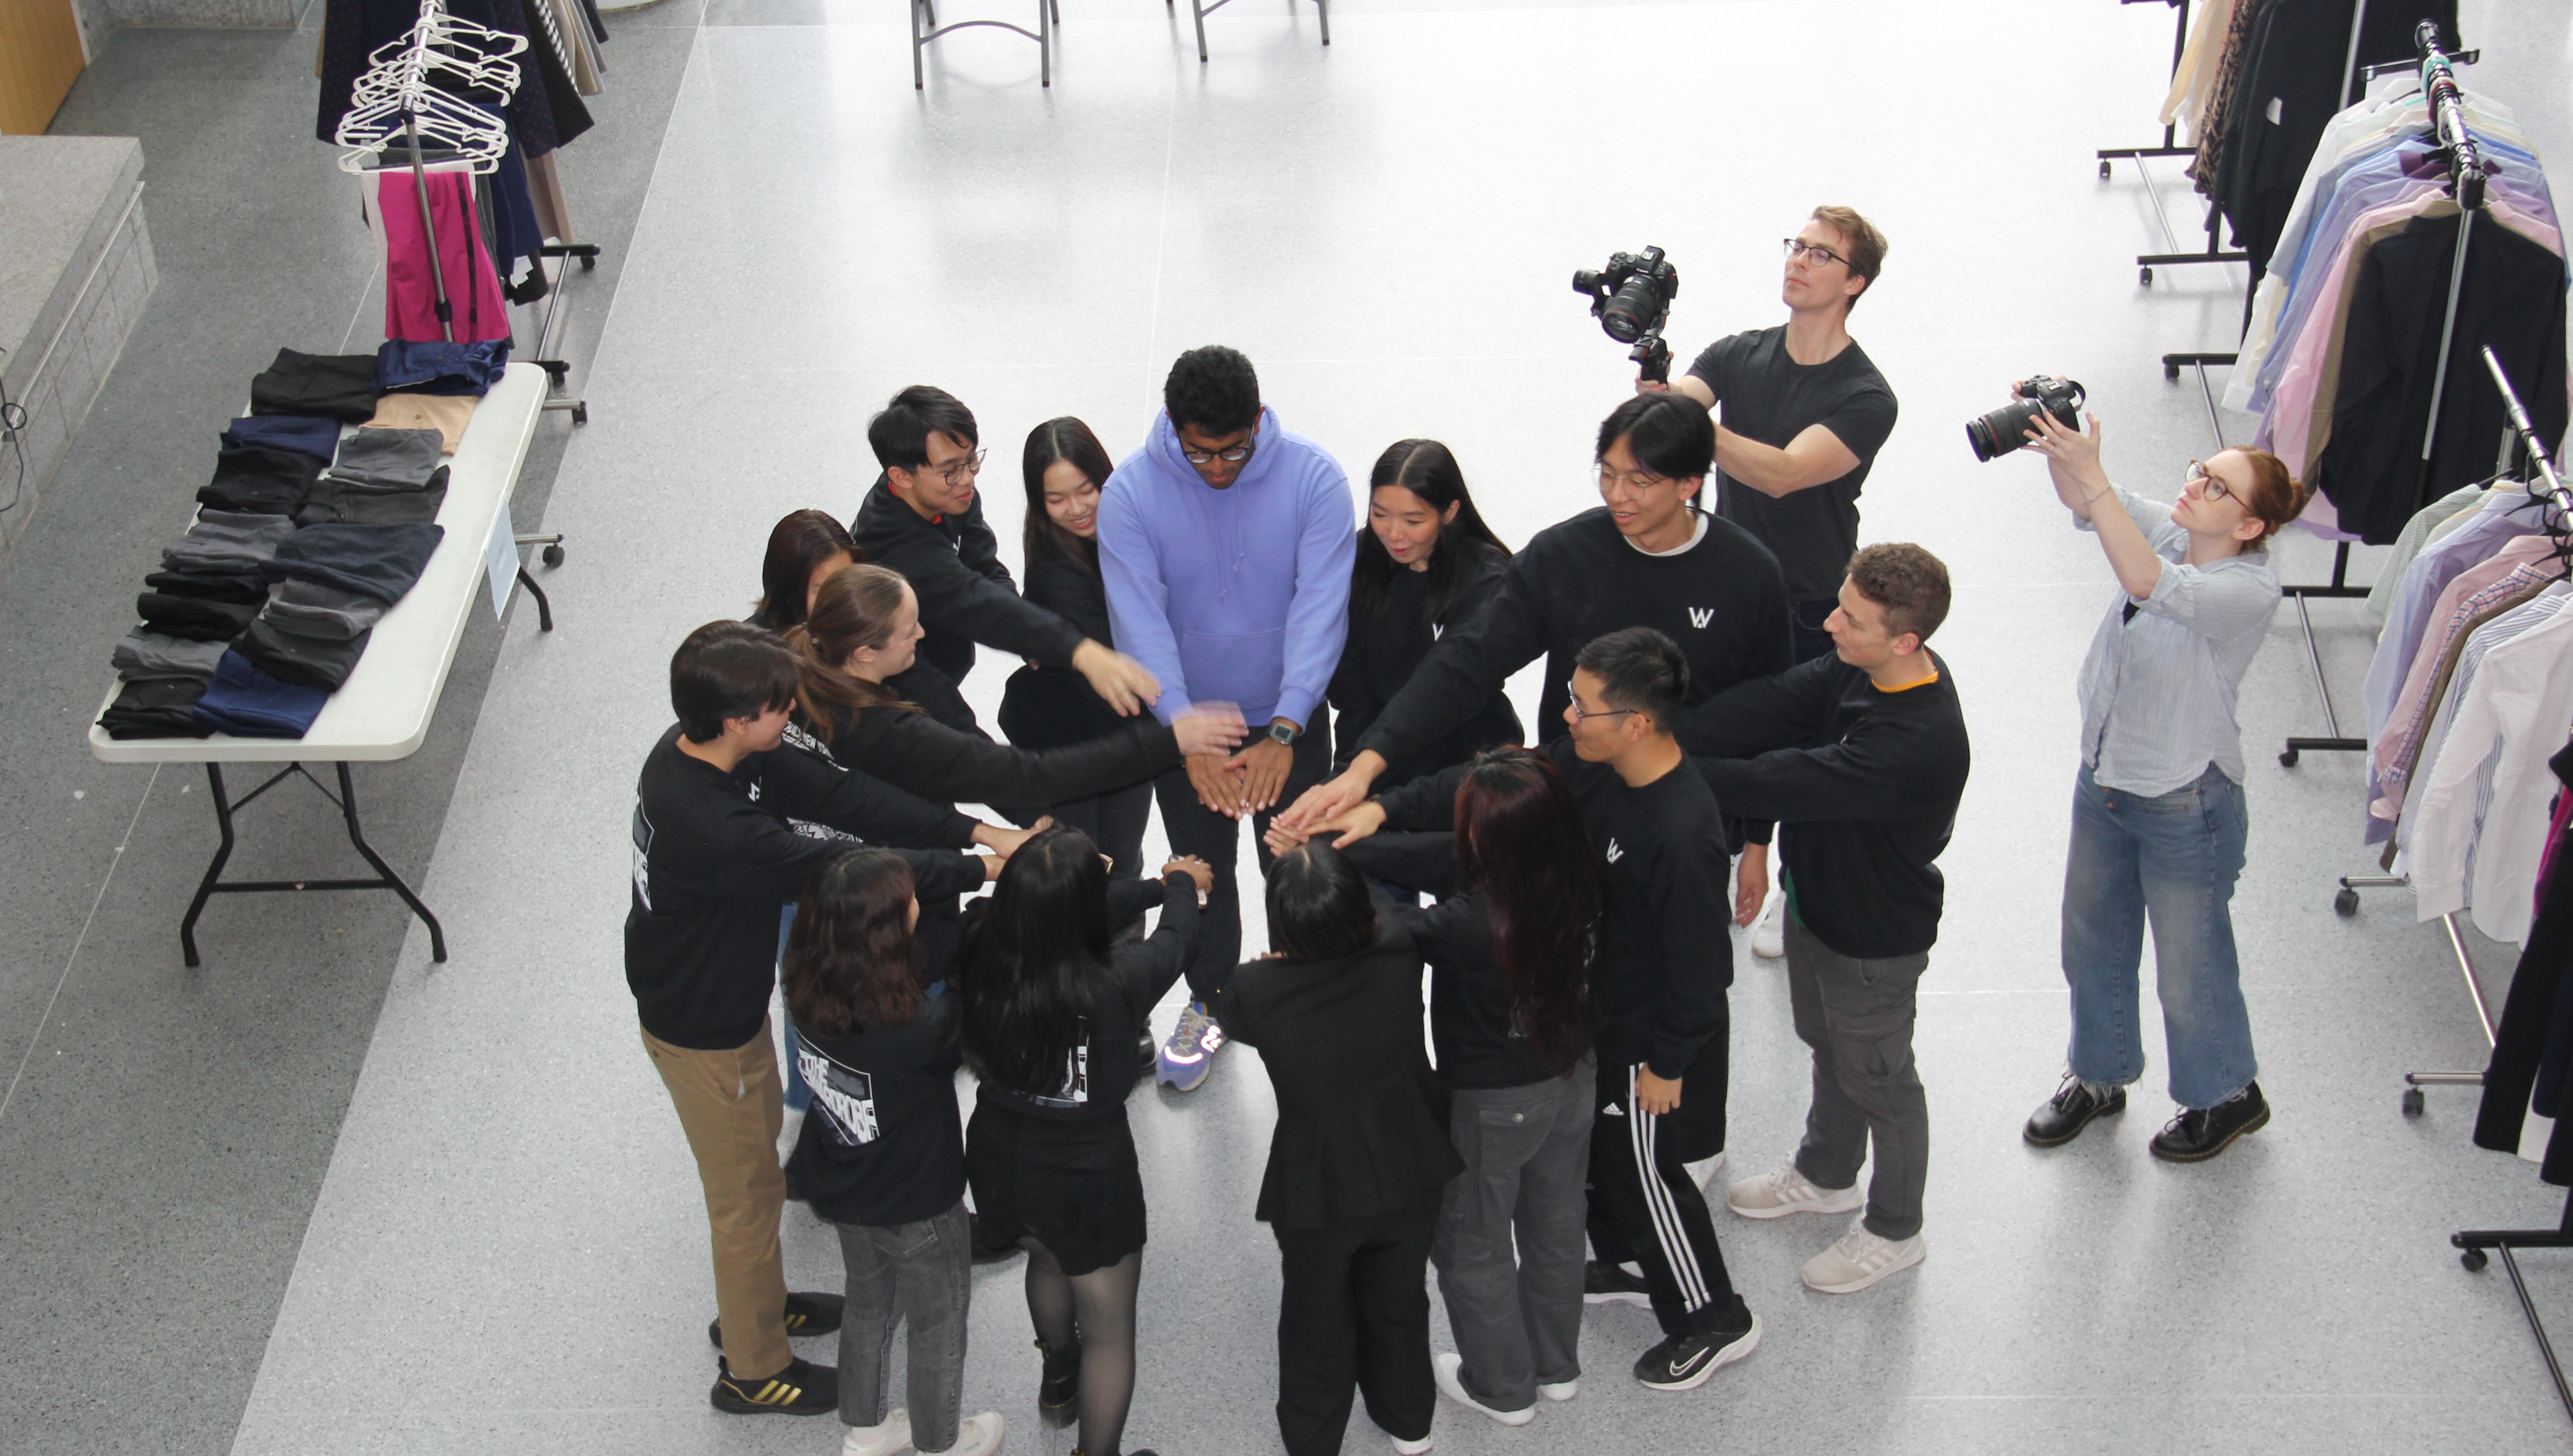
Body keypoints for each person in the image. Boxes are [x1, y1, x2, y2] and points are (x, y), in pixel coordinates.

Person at [1290, 629, 1757, 1391]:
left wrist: (1669, 1062)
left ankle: (1714, 1315)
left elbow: (1705, 968)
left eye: (1582, 706)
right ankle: (1634, 1256)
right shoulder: (1594, 763)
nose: (1567, 716)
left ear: (1637, 723)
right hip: (1593, 1017)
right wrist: (1379, 813)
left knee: (1646, 1173)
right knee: (1602, 1170)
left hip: (1643, 1040)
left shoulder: (1679, 829)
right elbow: (1496, 788)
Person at [625, 621, 1031, 1418]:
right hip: (700, 1029)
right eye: (782, 708)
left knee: (756, 1179)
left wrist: (973, 827)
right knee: (744, 1198)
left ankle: (765, 1306)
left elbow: (844, 798)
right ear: (740, 717)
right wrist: (984, 867)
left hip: (722, 1003)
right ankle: (753, 1367)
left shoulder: (701, 748)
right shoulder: (718, 830)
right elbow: (850, 871)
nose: (792, 720)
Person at [1277, 394, 1791, 986]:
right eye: (1607, 474)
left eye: (1639, 481)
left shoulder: (1750, 574)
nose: (1616, 495)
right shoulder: (1563, 556)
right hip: (1576, 802)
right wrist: (1365, 767)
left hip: (1693, 815)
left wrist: (1758, 845)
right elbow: (1464, 666)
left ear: (1689, 484)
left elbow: (1769, 714)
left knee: (1677, 978)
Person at [1678, 545, 1969, 1295]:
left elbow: (1786, 778)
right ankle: (1827, 1172)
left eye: (1852, 617)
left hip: (1873, 934)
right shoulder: (1860, 666)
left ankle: (1896, 1228)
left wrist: (1659, 770)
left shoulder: (1915, 741)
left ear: (1906, 640)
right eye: (1840, 603)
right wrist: (1670, 731)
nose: (1831, 622)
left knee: (1880, 1076)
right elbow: (1774, 702)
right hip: (1816, 900)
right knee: (1826, 1043)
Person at [2016, 408, 2299, 1162]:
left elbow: (2144, 578)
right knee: (2091, 941)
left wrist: (2097, 476)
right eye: (2199, 471)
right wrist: (2066, 451)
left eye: (2217, 486)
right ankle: (2098, 1075)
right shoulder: (2173, 530)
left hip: (2185, 801)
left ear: (2249, 526)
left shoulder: (2249, 588)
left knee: (2190, 968)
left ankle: (2227, 1094)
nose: (2196, 486)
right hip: (2106, 778)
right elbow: (2087, 506)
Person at [1098, 344, 1356, 1090]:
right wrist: (1184, 730)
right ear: (1174, 427)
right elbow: (1139, 622)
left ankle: (1305, 993)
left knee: (1299, 866)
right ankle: (1209, 1000)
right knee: (1202, 871)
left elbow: (1320, 610)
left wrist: (1287, 725)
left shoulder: (1314, 479)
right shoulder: (1131, 493)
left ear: (1260, 418)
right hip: (1189, 726)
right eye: (1199, 451)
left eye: (1233, 449)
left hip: (1289, 717)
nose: (1217, 467)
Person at [1647, 206, 1898, 960]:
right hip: (1725, 586)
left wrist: (1693, 427)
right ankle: (1722, 856)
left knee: (1800, 747)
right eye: (1797, 247)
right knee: (1718, 722)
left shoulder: (1866, 396)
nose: (1800, 262)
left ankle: (1785, 876)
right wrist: (1657, 393)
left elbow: (1787, 473)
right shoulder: (1737, 352)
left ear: (1854, 282)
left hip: (1813, 597)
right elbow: (1669, 411)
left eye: (1823, 256)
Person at [1340, 747, 1602, 1426]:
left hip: (1494, 1103)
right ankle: (1556, 1365)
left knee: (1473, 1240)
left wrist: (1325, 869)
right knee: (1556, 1225)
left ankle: (1503, 1385)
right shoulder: (1581, 870)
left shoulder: (1467, 923)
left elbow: (1378, 932)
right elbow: (1435, 857)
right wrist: (1359, 838)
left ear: (1489, 840)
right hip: (1574, 1077)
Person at [957, 828, 1213, 1456]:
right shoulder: (1120, 980)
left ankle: (1057, 1376)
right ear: (1087, 909)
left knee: (1043, 1259)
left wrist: (1148, 885)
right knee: (1112, 1333)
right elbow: (1175, 940)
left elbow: (1045, 909)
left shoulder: (975, 946)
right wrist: (1181, 881)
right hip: (1088, 1173)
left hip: (998, 1153)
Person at [1213, 843, 1462, 1456]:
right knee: (1400, 1301)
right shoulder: (1402, 946)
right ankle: (1409, 1423)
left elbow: (1232, 1018)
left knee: (1314, 1320)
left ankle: (1314, 1439)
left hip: (1319, 1189)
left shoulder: (1254, 988)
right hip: (1412, 1163)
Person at [780, 850, 1006, 1456]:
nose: (917, 902)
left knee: (870, 1306)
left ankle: (868, 1429)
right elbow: (968, 1010)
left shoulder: (804, 985)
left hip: (850, 1190)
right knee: (938, 1325)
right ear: (885, 935)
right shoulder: (921, 1030)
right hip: (922, 1206)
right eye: (909, 899)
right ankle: (941, 1441)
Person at [851, 385, 1160, 732]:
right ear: (901, 476)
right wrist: (1079, 650)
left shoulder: (948, 492)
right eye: (951, 470)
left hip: (941, 652)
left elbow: (982, 563)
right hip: (902, 673)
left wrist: (1030, 637)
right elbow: (973, 600)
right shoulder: (896, 549)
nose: (967, 479)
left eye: (971, 461)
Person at [1001, 419, 1157, 906]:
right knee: (1089, 872)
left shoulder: (1123, 532)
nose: (1076, 509)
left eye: (1086, 490)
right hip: (1076, 749)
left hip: (1117, 738)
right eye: (1056, 499)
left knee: (1121, 862)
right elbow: (1137, 655)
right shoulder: (1055, 574)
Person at [1328, 440, 1522, 794]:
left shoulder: (1487, 576)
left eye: (1413, 520)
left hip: (1470, 770)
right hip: (1374, 760)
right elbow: (1350, 688)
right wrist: (1350, 772)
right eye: (1380, 514)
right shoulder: (1356, 560)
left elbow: (1454, 685)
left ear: (1450, 512)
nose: (1394, 533)